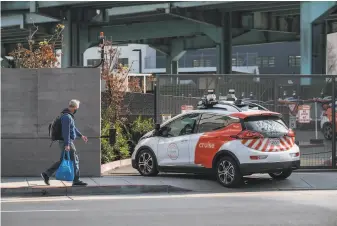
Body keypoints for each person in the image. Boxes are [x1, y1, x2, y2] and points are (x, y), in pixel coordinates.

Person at [41, 99, 88, 186]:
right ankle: (76, 180)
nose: (77, 109)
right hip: (67, 142)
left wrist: (81, 136)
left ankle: (46, 174)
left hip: (65, 142)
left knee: (63, 160)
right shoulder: (67, 117)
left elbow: (73, 128)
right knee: (75, 160)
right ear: (74, 107)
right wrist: (67, 144)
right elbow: (66, 131)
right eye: (77, 108)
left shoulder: (66, 115)